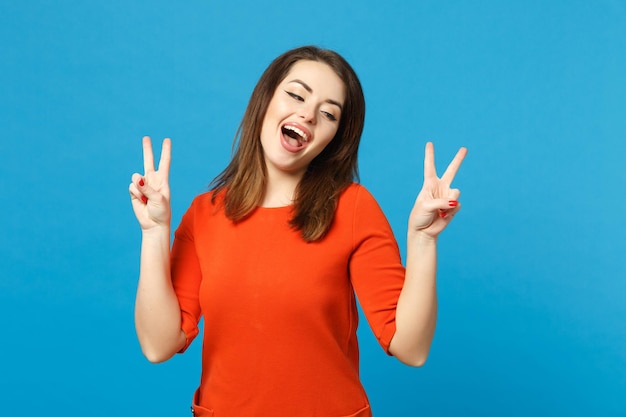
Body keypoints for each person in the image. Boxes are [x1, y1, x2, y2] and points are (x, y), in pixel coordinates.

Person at [129, 45, 467, 417]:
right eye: (295, 94)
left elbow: (411, 348)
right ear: (266, 99)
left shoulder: (353, 208)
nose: (307, 114)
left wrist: (423, 240)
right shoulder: (203, 214)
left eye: (328, 113)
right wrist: (154, 232)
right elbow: (158, 345)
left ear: (334, 138)